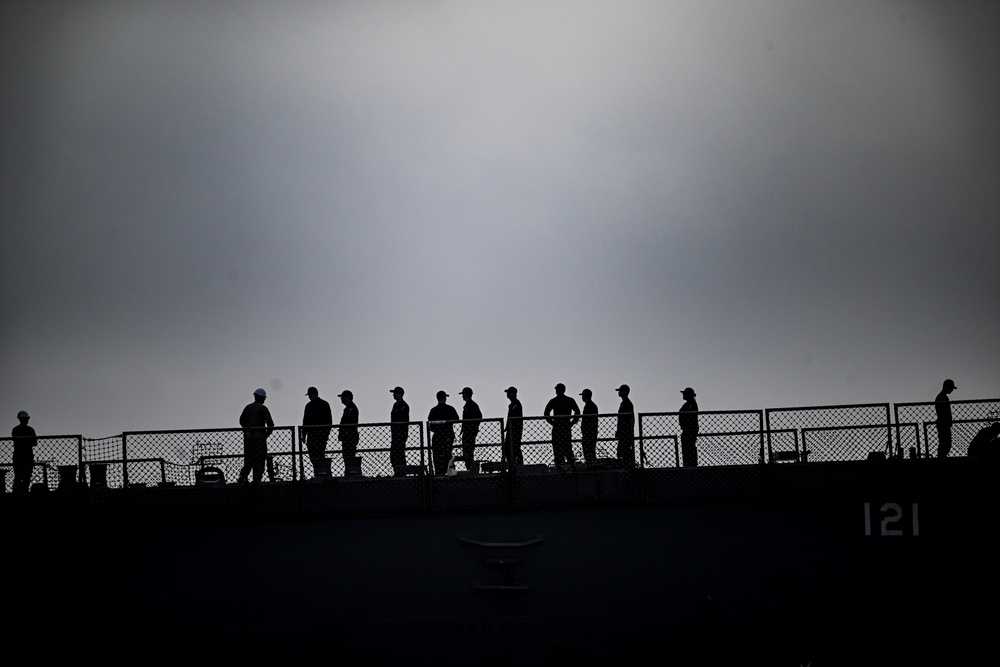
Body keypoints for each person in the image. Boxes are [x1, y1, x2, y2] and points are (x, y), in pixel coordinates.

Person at [239, 388, 274, 484]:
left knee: (249, 459)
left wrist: (248, 429)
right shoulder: (263, 408)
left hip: (249, 438)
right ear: (262, 398)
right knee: (260, 459)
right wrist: (265, 435)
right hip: (259, 439)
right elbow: (271, 424)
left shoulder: (248, 407)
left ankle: (243, 476)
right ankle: (257, 480)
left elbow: (242, 421)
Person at [544, 383, 580, 468]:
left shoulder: (553, 401)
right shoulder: (570, 400)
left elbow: (546, 413)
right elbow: (577, 412)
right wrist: (572, 422)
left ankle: (560, 465)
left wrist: (552, 422)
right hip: (566, 427)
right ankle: (571, 465)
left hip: (557, 428)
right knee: (567, 447)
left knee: (557, 448)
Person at [302, 386, 333, 477]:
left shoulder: (309, 405)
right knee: (321, 453)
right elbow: (329, 420)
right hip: (322, 435)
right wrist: (327, 433)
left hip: (312, 435)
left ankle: (318, 472)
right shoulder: (325, 404)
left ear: (311, 394)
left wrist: (303, 434)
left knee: (314, 456)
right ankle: (323, 472)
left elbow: (305, 421)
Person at [428, 391, 460, 475]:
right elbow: (457, 419)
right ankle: (449, 471)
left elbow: (430, 426)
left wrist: (437, 429)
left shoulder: (433, 410)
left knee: (437, 455)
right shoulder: (450, 409)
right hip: (448, 435)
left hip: (437, 436)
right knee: (447, 454)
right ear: (445, 398)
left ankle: (438, 472)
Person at [11, 410, 37, 494]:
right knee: (26, 476)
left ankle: (16, 492)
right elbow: (34, 443)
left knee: (18, 476)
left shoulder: (15, 430)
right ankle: (24, 491)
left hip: (18, 455)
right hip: (27, 455)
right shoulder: (30, 430)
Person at [459, 387, 482, 467]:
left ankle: (470, 466)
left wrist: (471, 426)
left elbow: (479, 417)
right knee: (468, 450)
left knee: (468, 451)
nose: (462, 396)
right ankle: (470, 465)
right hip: (469, 431)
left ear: (466, 395)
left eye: (463, 394)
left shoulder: (471, 405)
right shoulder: (471, 405)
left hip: (469, 432)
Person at [390, 386, 410, 472]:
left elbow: (402, 419)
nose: (393, 395)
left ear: (400, 394)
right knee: (394, 453)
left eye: (395, 393)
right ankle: (397, 470)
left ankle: (401, 471)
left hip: (401, 433)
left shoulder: (404, 406)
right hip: (395, 433)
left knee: (399, 453)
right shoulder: (395, 405)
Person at [935, 379, 956, 458]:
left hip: (944, 423)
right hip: (943, 424)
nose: (952, 390)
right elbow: (943, 412)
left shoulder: (942, 397)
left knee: (945, 443)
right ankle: (941, 457)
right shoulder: (941, 397)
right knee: (945, 443)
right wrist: (947, 421)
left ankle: (942, 457)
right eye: (951, 388)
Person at [503, 386, 524, 467]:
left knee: (514, 447)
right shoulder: (513, 404)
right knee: (509, 447)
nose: (507, 394)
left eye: (509, 392)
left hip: (515, 430)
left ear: (513, 394)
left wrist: (511, 427)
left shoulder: (516, 404)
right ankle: (512, 463)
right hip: (512, 430)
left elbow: (515, 418)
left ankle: (517, 464)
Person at [338, 390, 360, 465]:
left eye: (343, 397)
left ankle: (351, 470)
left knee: (349, 455)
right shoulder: (347, 409)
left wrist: (347, 432)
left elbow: (352, 422)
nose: (341, 399)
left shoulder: (352, 408)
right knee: (347, 455)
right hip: (347, 436)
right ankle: (349, 469)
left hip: (350, 436)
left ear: (348, 397)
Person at [615, 385, 635, 467]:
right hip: (623, 432)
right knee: (621, 451)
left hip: (626, 432)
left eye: (620, 391)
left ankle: (629, 466)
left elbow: (628, 419)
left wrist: (626, 431)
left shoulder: (627, 403)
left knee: (624, 451)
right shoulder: (624, 403)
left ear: (625, 392)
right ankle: (627, 465)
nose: (619, 392)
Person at [679, 387, 699, 467]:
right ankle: (688, 463)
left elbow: (690, 415)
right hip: (687, 428)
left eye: (684, 393)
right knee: (688, 446)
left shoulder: (691, 403)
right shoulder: (690, 403)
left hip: (689, 429)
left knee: (689, 446)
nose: (683, 395)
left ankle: (690, 463)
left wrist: (686, 424)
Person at [580, 389, 599, 467]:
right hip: (590, 432)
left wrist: (586, 429)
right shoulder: (590, 405)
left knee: (589, 450)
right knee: (590, 450)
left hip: (589, 432)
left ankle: (591, 464)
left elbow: (589, 420)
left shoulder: (590, 406)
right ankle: (591, 463)